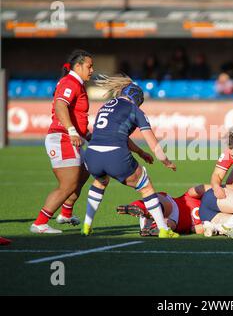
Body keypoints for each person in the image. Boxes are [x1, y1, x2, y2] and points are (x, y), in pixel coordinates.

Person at [82, 74, 179, 238]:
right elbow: (154, 144)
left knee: (100, 181)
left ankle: (86, 226)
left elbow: (117, 135)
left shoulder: (106, 106)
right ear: (138, 100)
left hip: (91, 155)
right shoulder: (136, 110)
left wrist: (140, 153)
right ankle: (163, 229)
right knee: (146, 187)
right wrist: (166, 161)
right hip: (115, 156)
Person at [30, 49, 94, 234]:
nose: (92, 70)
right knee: (68, 184)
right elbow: (60, 105)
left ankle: (65, 214)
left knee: (83, 174)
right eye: (89, 66)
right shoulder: (70, 82)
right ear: (78, 66)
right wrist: (72, 131)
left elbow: (76, 114)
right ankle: (40, 223)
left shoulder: (78, 84)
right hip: (63, 138)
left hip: (72, 137)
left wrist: (86, 135)